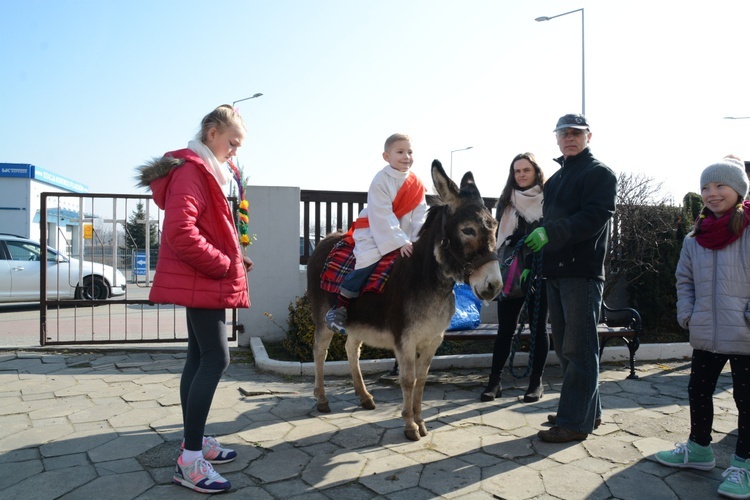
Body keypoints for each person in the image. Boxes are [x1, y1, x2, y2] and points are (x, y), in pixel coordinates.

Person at [136, 104, 253, 494]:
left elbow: (210, 226)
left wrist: (235, 255)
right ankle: (189, 461)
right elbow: (181, 232)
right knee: (216, 358)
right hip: (204, 279)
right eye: (232, 142)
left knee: (197, 356)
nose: (235, 150)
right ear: (211, 134)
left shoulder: (209, 170)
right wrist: (223, 263)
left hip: (203, 279)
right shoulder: (193, 170)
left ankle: (196, 440)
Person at [654, 156, 750, 499]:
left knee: (746, 399)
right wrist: (688, 313)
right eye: (705, 187)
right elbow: (685, 280)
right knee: (698, 390)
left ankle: (744, 464)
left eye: (720, 185)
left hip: (745, 334)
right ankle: (698, 449)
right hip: (706, 333)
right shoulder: (695, 237)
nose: (712, 193)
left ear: (738, 190)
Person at [525, 113, 617, 443]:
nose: (569, 138)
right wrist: (532, 261)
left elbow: (593, 218)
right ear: (557, 139)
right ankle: (587, 412)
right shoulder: (556, 180)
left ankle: (574, 423)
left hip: (582, 273)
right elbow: (548, 224)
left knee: (578, 349)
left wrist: (550, 233)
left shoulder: (599, 174)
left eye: (576, 133)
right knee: (566, 349)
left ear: (588, 137)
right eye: (563, 133)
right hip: (555, 272)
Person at [325, 133, 427, 334]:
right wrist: (400, 242)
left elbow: (420, 217)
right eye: (400, 152)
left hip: (404, 235)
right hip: (374, 230)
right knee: (368, 261)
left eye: (410, 152)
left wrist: (417, 241)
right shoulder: (380, 180)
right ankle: (340, 308)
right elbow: (382, 215)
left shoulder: (417, 184)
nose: (406, 156)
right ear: (386, 156)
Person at [480, 152, 549, 403]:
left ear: (535, 172)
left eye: (526, 170)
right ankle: (494, 382)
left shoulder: (547, 200)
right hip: (510, 272)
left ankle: (535, 383)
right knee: (505, 329)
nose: (521, 174)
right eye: (517, 170)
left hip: (539, 271)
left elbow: (551, 234)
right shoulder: (506, 202)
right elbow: (498, 239)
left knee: (538, 328)